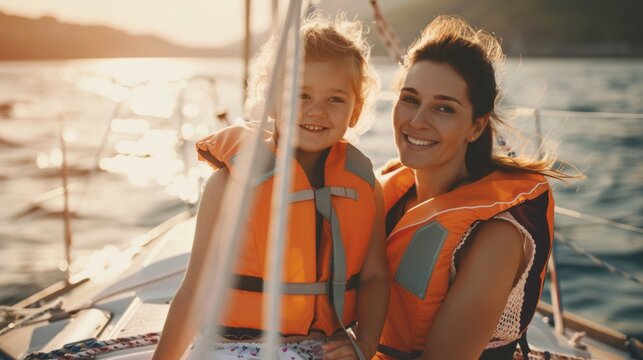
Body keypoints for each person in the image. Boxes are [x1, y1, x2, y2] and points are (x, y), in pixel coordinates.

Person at [152, 14, 388, 360]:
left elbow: (375, 277)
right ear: (273, 99)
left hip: (327, 347)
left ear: (356, 110)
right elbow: (194, 290)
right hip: (234, 347)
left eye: (336, 99)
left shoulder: (364, 186)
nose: (316, 110)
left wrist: (365, 344)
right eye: (301, 95)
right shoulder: (229, 184)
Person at [375, 16, 577, 359]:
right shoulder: (393, 196)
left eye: (443, 108)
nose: (417, 121)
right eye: (410, 99)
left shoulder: (497, 237)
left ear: (476, 126)